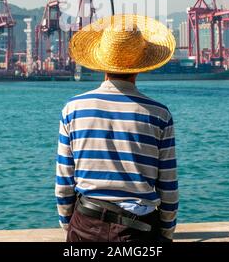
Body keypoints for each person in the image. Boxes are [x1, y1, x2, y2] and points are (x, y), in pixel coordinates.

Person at [55, 14, 178, 243]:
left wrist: (69, 225)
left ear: (101, 64)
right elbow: (168, 186)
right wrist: (166, 233)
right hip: (139, 230)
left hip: (86, 223)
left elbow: (64, 184)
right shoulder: (160, 114)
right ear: (140, 66)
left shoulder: (72, 109)